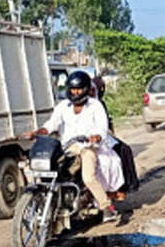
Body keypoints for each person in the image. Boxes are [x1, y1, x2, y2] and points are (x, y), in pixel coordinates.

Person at [22, 70, 122, 222]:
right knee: (47, 171)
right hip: (67, 146)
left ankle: (106, 207)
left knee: (88, 177)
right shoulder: (63, 106)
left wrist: (96, 136)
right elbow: (51, 124)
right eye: (73, 89)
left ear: (86, 89)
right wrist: (37, 133)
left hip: (86, 147)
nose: (75, 92)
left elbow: (102, 127)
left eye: (79, 89)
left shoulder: (95, 105)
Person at [91, 75, 139, 200]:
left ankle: (121, 188)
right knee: (110, 160)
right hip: (87, 138)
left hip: (101, 136)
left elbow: (105, 124)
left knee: (123, 151)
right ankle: (111, 191)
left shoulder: (98, 104)